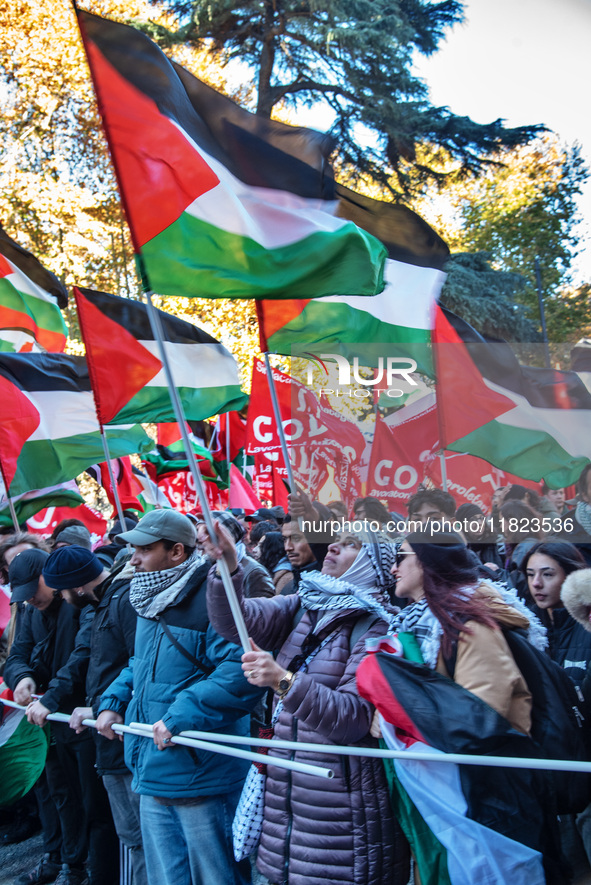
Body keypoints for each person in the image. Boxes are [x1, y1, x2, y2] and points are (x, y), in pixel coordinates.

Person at [206, 522, 409, 885]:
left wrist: (281, 680)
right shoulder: (307, 603)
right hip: (288, 796)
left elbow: (353, 718)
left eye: (349, 545)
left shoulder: (378, 627)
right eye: (335, 541)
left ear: (371, 563)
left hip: (342, 810)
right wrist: (230, 567)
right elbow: (236, 623)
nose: (331, 548)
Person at [362, 530, 564, 884]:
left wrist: (402, 712)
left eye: (400, 558)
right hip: (452, 791)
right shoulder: (420, 622)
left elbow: (482, 716)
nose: (393, 569)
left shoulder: (470, 625)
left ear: (426, 563)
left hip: (488, 795)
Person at [95, 509, 261, 885]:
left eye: (145, 549)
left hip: (201, 770)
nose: (133, 558)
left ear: (177, 552)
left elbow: (242, 672)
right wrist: (112, 701)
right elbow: (142, 666)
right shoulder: (149, 596)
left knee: (215, 877)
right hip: (153, 766)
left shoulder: (214, 598)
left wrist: (179, 716)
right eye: (133, 549)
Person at [5, 549, 118, 885]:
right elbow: (17, 654)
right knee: (60, 796)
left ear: (48, 578)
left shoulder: (77, 604)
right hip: (49, 722)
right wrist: (22, 677)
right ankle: (69, 863)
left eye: (32, 590)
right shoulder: (29, 610)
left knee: (93, 802)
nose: (30, 600)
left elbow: (84, 654)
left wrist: (51, 697)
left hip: (82, 717)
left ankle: (95, 872)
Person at [42, 545, 148, 885]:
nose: (60, 596)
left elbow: (140, 664)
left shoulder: (123, 600)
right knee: (132, 838)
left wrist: (105, 704)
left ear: (75, 586)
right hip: (109, 742)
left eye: (60, 589)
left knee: (143, 838)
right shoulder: (104, 602)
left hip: (125, 740)